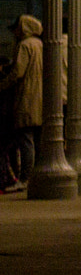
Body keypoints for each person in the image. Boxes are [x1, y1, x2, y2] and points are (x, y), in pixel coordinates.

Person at [0, 14, 43, 193]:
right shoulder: (39, 45)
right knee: (35, 139)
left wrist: (2, 85)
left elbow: (18, 71)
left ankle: (26, 177)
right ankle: (34, 175)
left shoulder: (25, 45)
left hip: (27, 96)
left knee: (26, 139)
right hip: (39, 96)